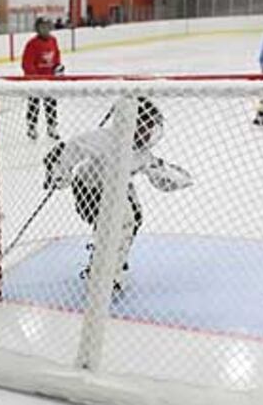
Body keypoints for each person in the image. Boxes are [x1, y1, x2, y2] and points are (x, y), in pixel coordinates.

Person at [43, 97, 193, 289]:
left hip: (116, 188)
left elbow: (158, 174)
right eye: (144, 126)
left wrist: (177, 180)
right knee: (123, 219)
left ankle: (111, 258)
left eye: (151, 127)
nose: (148, 133)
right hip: (89, 190)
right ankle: (104, 272)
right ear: (131, 123)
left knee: (135, 216)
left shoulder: (142, 152)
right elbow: (74, 147)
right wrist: (59, 171)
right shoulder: (104, 139)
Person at [22, 17, 64, 140]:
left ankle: (51, 127)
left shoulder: (53, 41)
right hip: (35, 81)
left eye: (47, 26)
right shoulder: (32, 44)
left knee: (51, 104)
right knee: (33, 104)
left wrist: (58, 67)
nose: (45, 29)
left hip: (49, 80)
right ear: (37, 28)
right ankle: (32, 127)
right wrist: (35, 77)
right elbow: (26, 63)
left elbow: (56, 56)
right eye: (42, 27)